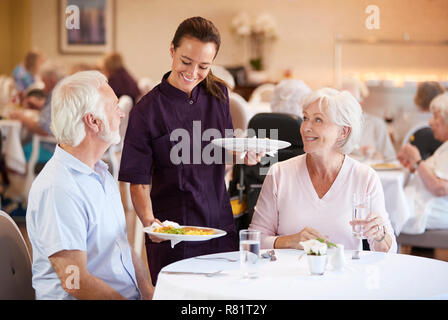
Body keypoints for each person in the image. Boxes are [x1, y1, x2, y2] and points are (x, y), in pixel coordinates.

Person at [118, 17, 262, 285]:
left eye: (204, 66)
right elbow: (138, 183)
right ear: (172, 50)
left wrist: (244, 154)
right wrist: (152, 223)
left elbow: (222, 150)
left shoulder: (219, 95)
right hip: (173, 232)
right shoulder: (146, 111)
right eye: (186, 61)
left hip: (218, 222)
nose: (193, 72)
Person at [26, 71, 154, 300]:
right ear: (93, 121)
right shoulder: (60, 188)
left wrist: (149, 294)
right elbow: (74, 281)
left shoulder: (100, 173)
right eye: (115, 107)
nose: (122, 114)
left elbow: (122, 249)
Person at [249, 87, 397, 252]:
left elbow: (389, 252)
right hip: (288, 275)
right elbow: (254, 240)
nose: (305, 127)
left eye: (318, 120)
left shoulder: (365, 177)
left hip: (344, 276)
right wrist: (289, 241)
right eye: (305, 118)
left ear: (343, 131)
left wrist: (379, 236)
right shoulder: (279, 173)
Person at [397, 92, 448, 234]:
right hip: (426, 205)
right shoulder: (445, 146)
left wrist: (417, 160)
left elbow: (440, 189)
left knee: (380, 214)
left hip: (433, 210)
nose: (430, 122)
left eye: (436, 116)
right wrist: (414, 167)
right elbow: (435, 175)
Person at [10, 63, 64, 163]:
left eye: (44, 82)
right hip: (63, 146)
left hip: (52, 148)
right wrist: (39, 108)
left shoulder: (59, 91)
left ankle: (23, 178)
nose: (43, 88)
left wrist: (21, 117)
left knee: (14, 153)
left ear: (51, 79)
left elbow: (43, 128)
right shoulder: (64, 86)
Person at [341, 77, 396, 162]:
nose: (345, 107)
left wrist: (378, 157)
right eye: (342, 102)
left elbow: (391, 159)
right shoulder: (332, 125)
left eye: (351, 102)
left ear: (360, 103)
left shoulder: (376, 124)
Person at [392, 81, 445, 148]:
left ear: (418, 96)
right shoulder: (443, 121)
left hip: (410, 157)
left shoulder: (407, 118)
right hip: (438, 157)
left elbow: (395, 137)